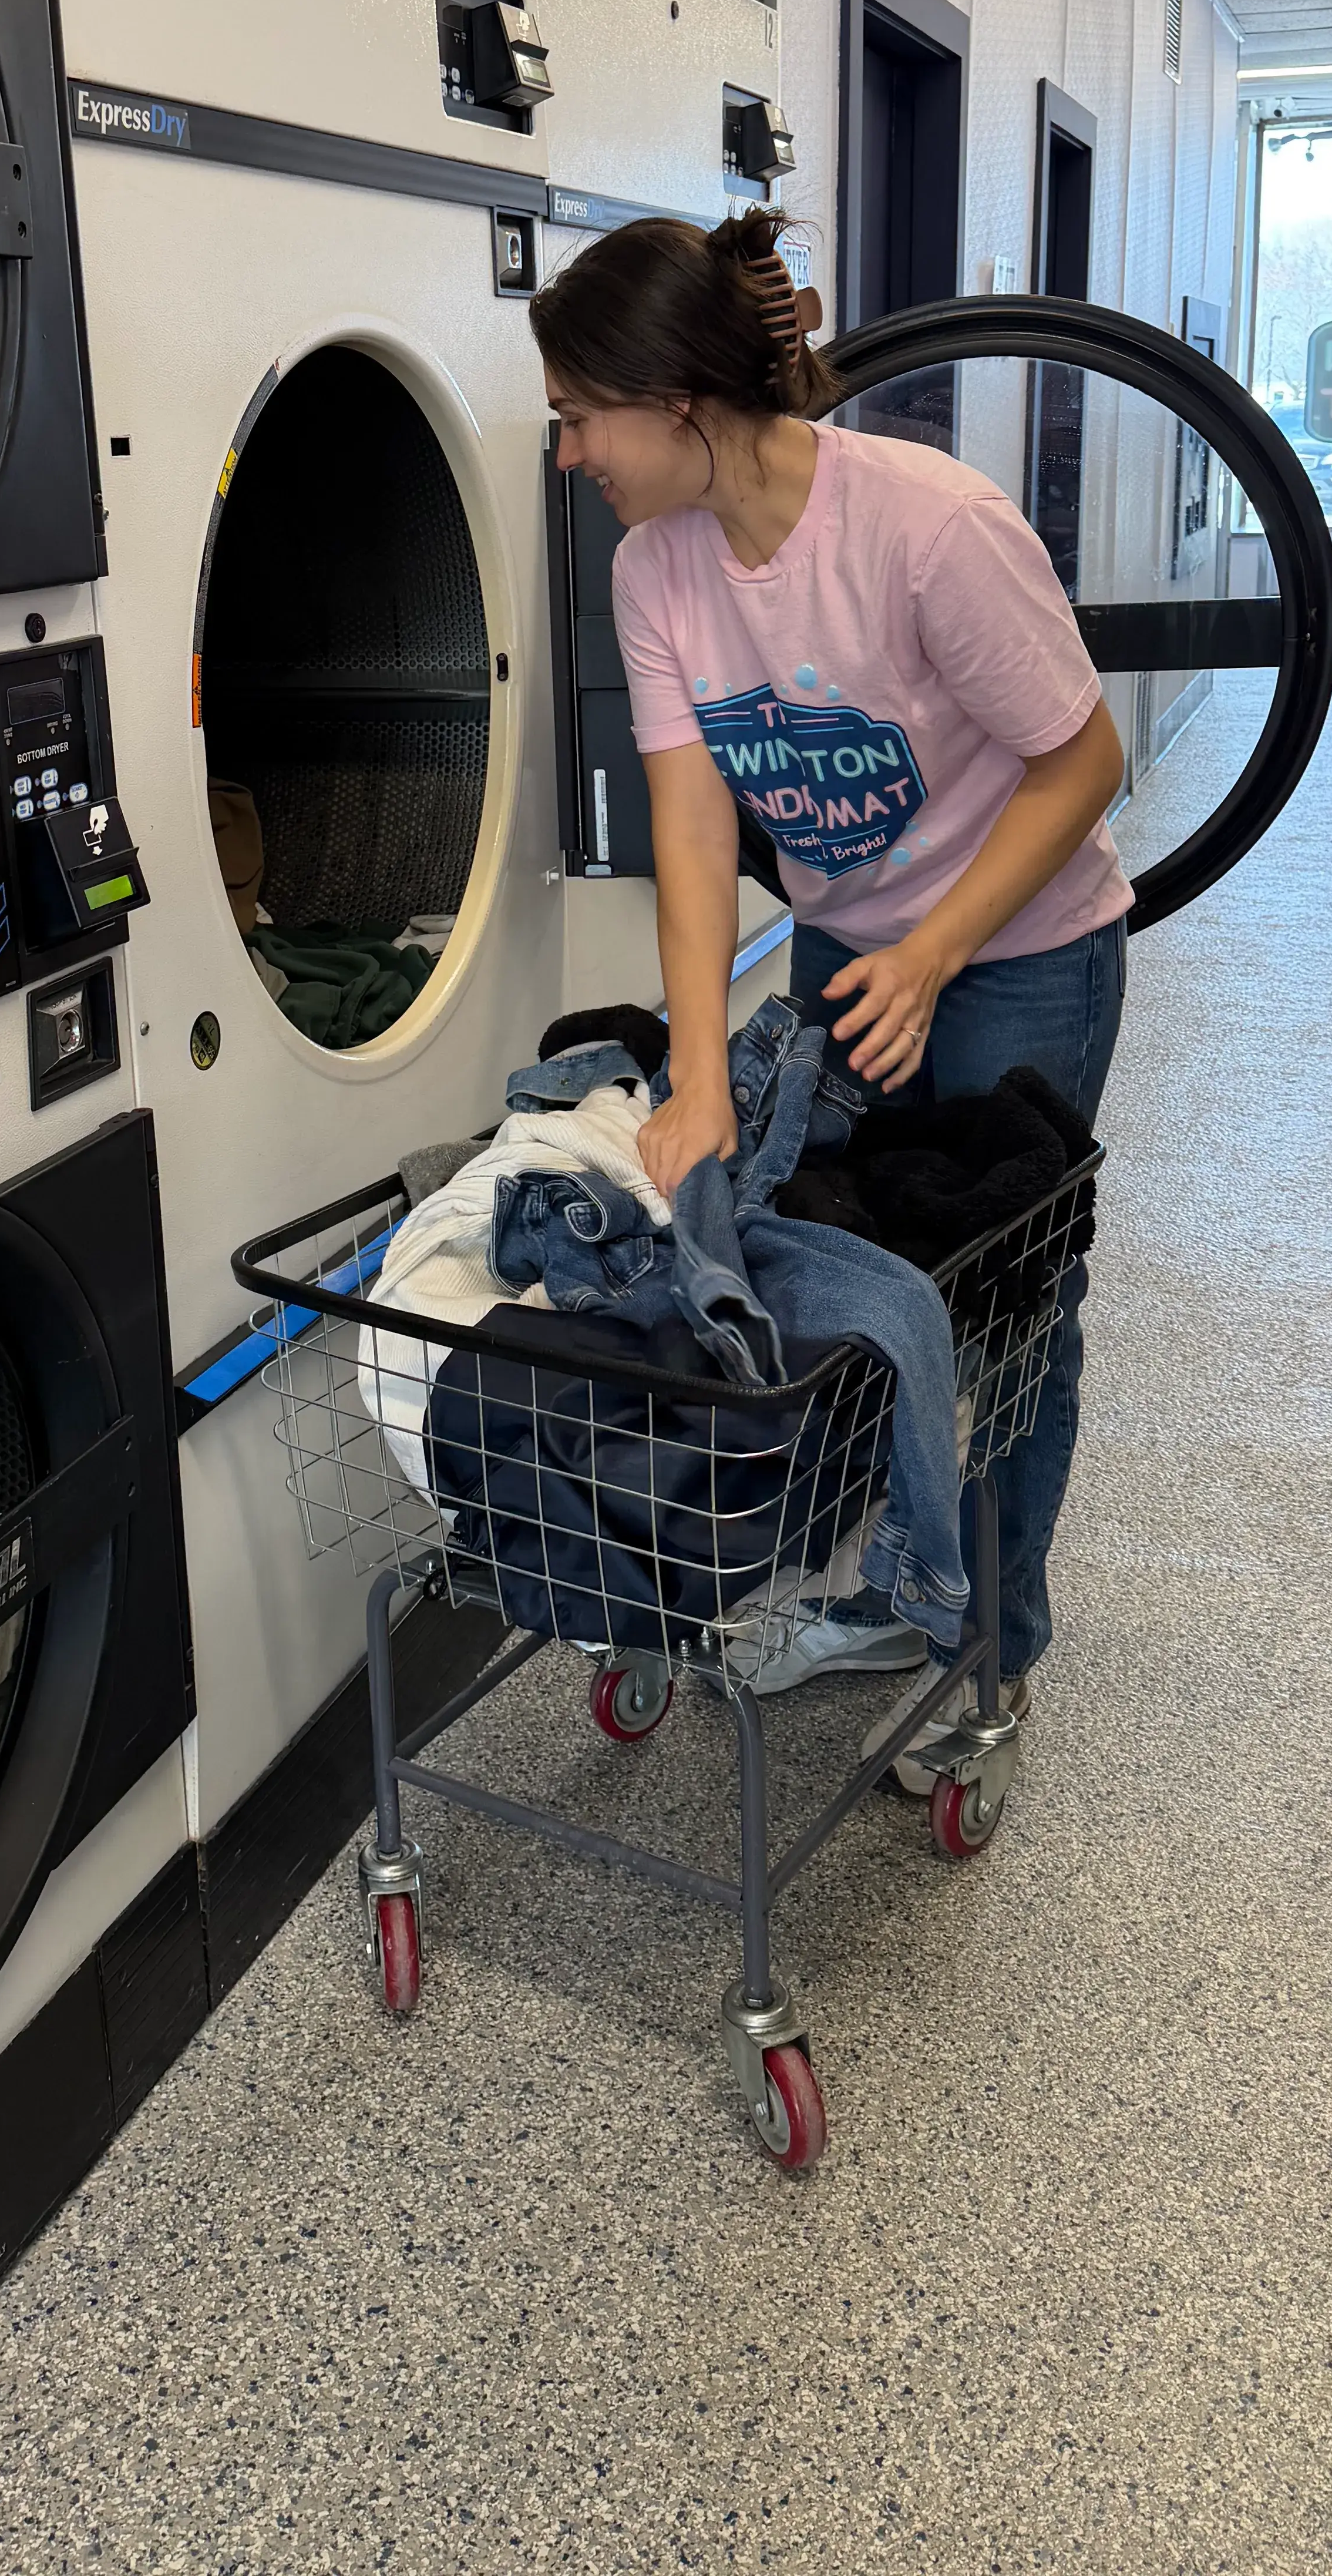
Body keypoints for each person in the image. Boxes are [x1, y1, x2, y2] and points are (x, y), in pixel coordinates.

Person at [530, 206, 1129, 1754]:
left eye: (576, 417)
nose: (566, 454)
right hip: (846, 939)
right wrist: (704, 1077)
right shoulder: (658, 574)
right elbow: (685, 829)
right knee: (840, 1269)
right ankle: (894, 1581)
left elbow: (1082, 761)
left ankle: (993, 1637)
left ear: (673, 402)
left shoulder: (925, 528)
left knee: (1007, 1301)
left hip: (1023, 953)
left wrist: (932, 952)